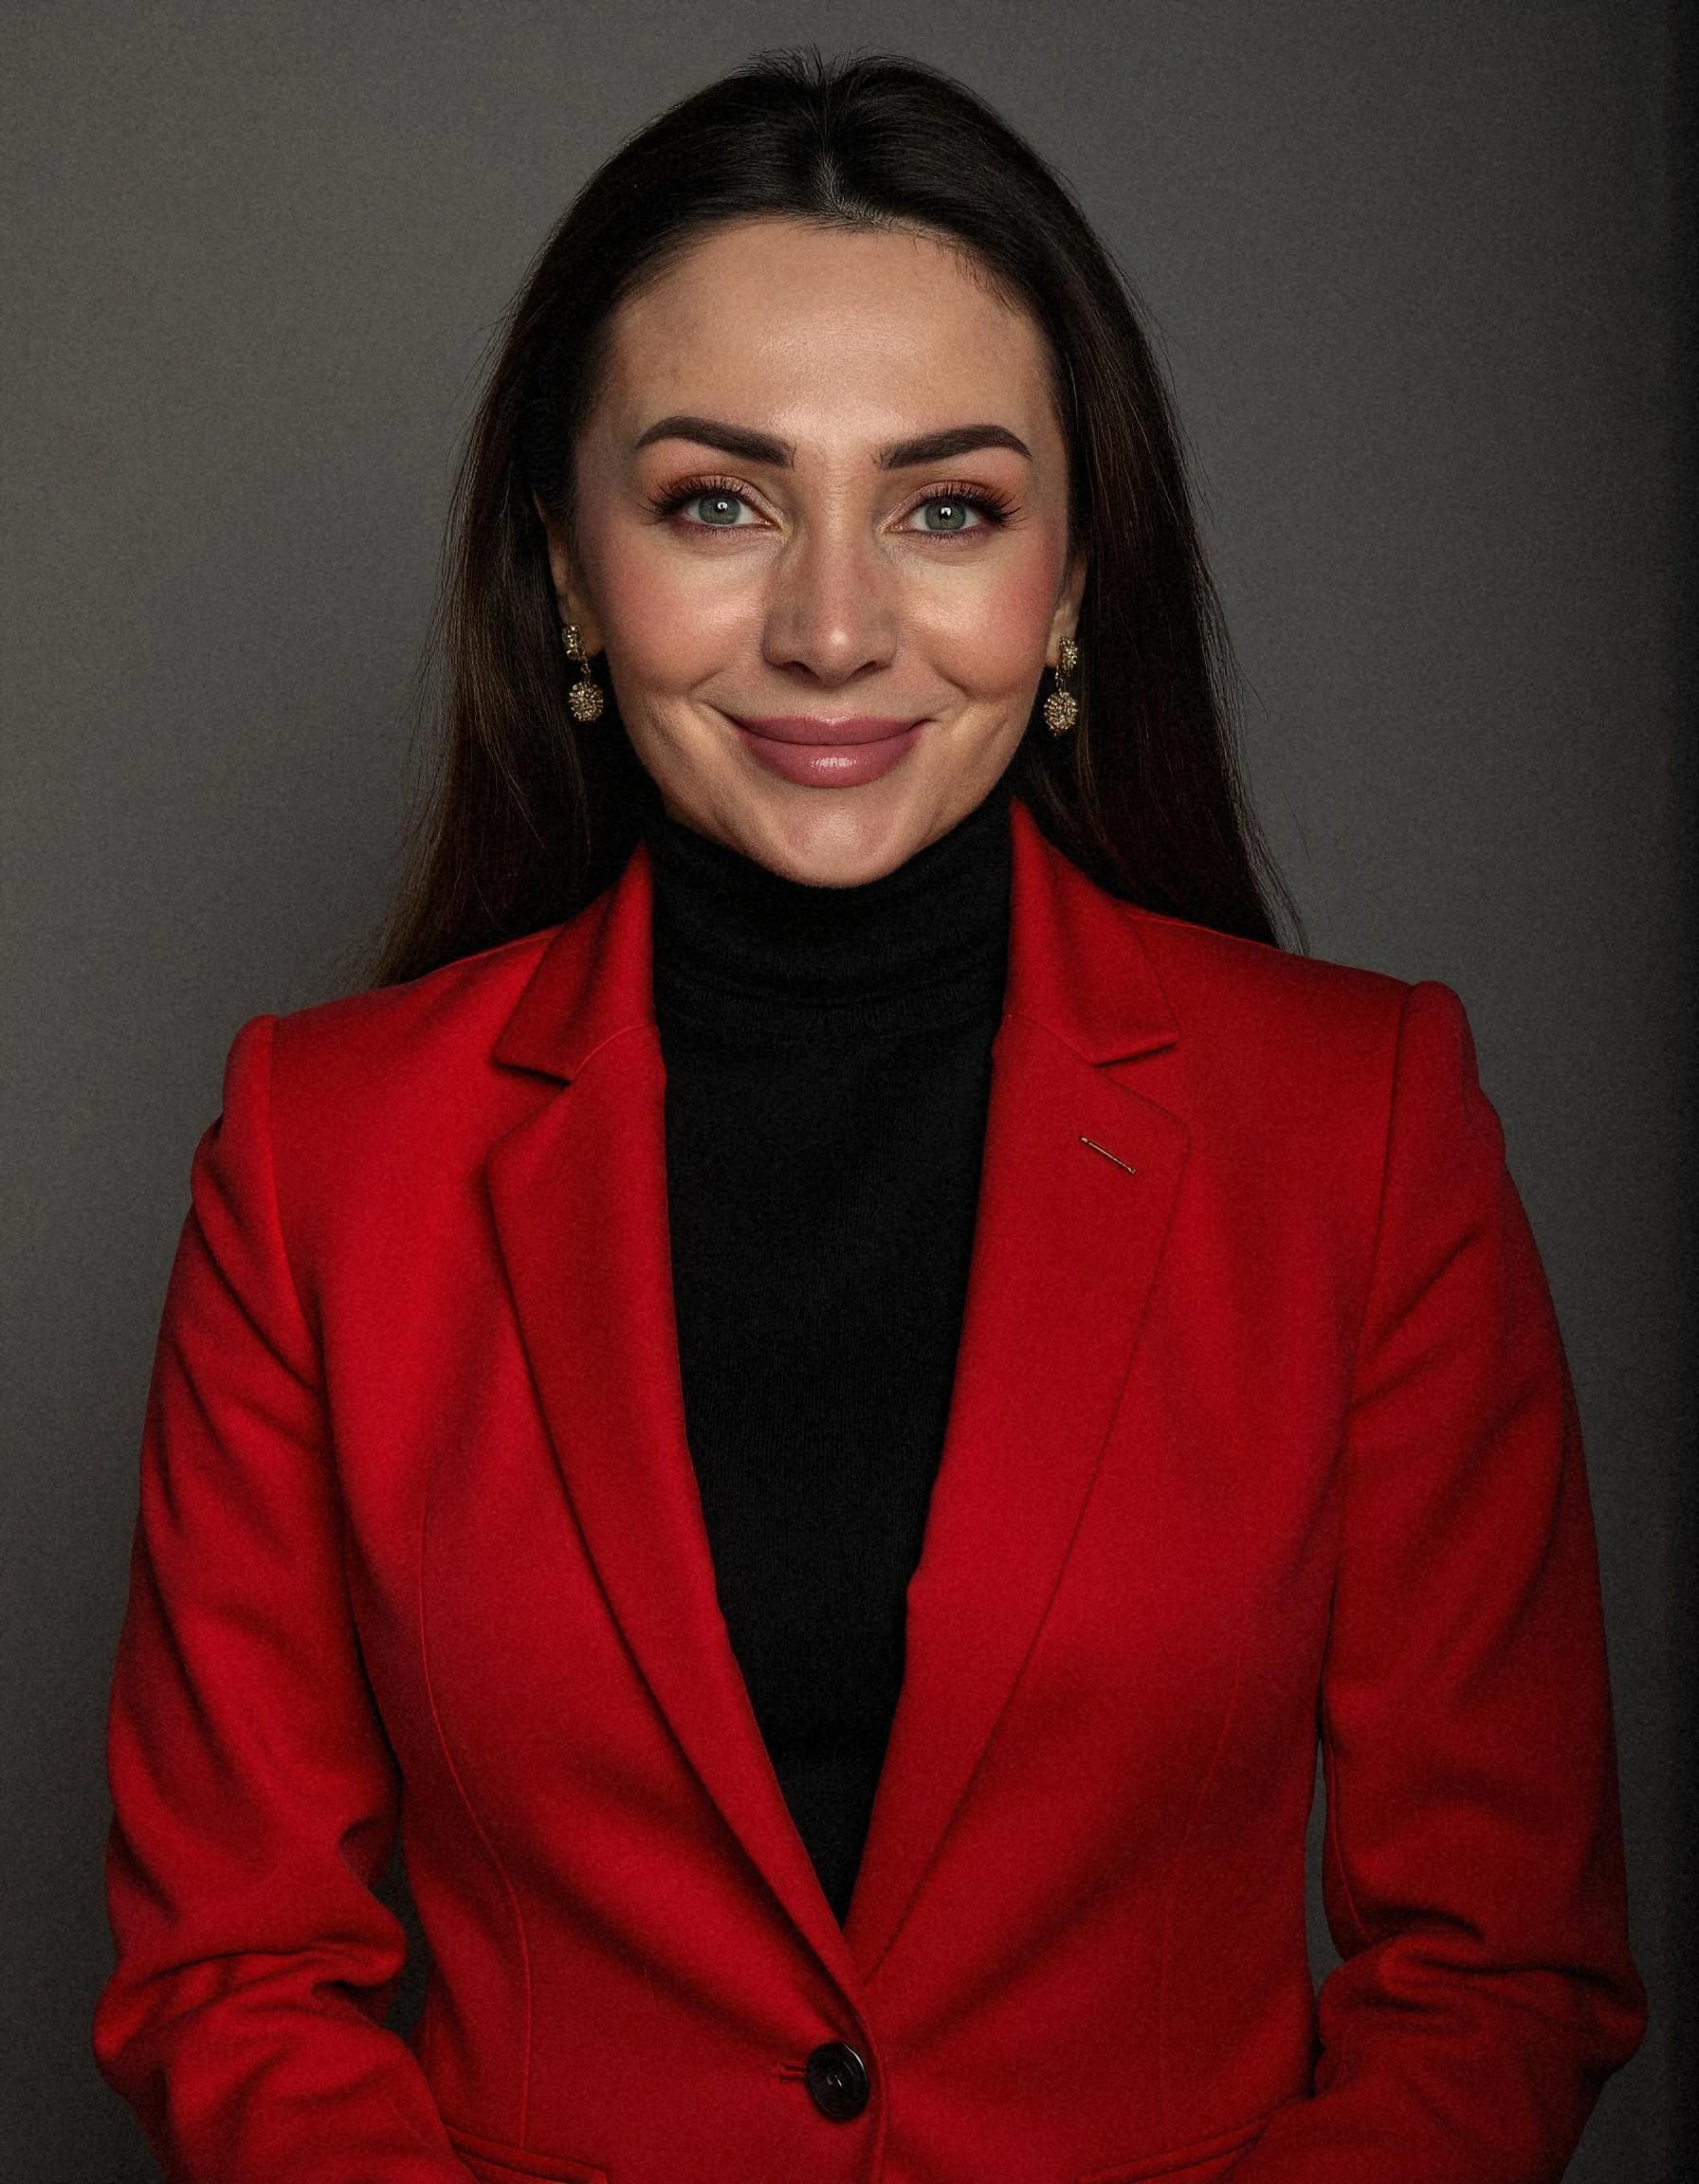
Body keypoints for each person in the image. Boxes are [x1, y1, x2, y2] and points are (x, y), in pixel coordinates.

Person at [92, 46, 1645, 2184]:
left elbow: (1490, 1972)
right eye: (715, 501)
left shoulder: (1361, 1128)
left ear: (1075, 576)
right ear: (565, 568)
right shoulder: (318, 1157)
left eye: (949, 507)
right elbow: (233, 1972)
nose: (831, 629)